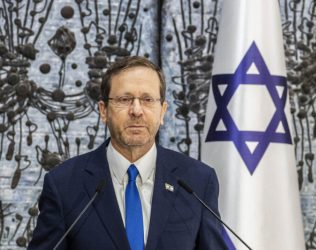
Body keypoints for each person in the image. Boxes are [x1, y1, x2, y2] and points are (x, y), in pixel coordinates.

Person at [28, 56, 228, 250]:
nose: (137, 110)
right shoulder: (64, 185)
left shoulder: (197, 182)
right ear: (103, 110)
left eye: (148, 99)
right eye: (124, 99)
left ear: (163, 111)